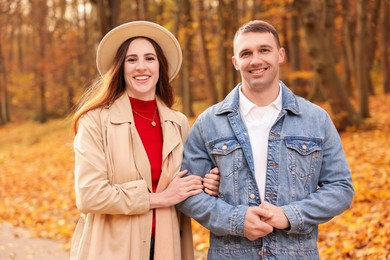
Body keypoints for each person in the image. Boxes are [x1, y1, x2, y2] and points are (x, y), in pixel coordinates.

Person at [176, 20, 354, 259]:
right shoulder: (209, 123)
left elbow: (341, 189)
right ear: (235, 62)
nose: (256, 60)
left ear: (280, 55)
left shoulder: (316, 119)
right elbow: (187, 195)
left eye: (264, 50)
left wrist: (290, 215)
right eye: (246, 53)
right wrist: (236, 220)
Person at [70, 21, 220, 260]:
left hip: (167, 245)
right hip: (112, 249)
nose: (141, 67)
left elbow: (185, 182)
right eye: (131, 60)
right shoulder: (95, 121)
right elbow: (89, 194)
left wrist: (208, 184)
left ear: (160, 66)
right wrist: (159, 198)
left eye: (149, 58)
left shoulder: (177, 122)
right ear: (120, 67)